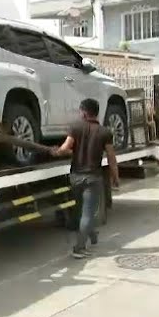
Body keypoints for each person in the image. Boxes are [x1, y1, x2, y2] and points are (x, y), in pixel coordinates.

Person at [50, 98, 119, 259]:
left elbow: (65, 149)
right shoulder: (105, 132)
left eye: (80, 111)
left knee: (81, 211)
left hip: (75, 177)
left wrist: (55, 151)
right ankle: (79, 248)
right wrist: (115, 176)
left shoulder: (75, 128)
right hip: (93, 178)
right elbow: (111, 158)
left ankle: (90, 236)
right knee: (88, 213)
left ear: (84, 112)